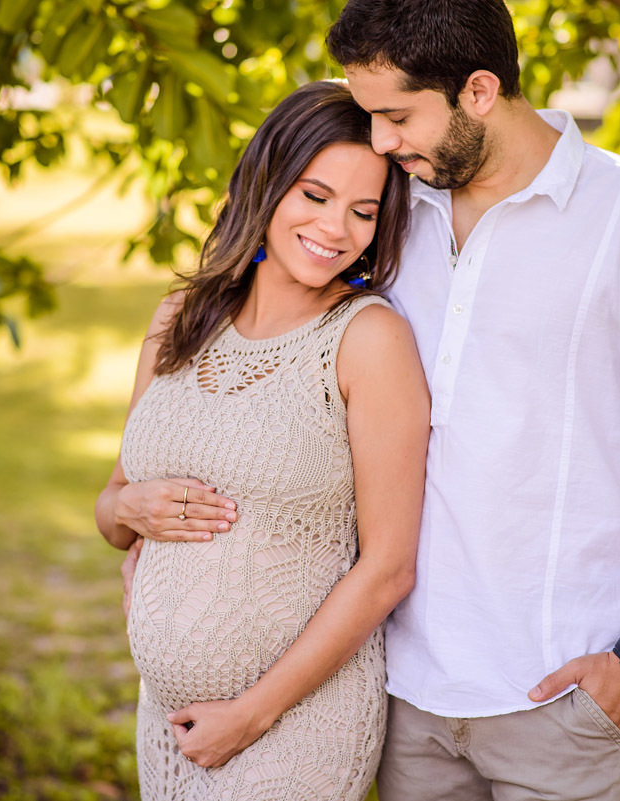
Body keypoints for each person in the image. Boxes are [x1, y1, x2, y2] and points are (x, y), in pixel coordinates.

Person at [321, 2, 620, 800]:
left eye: (396, 116)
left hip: (564, 702)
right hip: (403, 693)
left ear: (480, 91)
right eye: (370, 117)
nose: (380, 142)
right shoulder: (391, 213)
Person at [95, 80, 430, 801]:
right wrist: (130, 510)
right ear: (268, 183)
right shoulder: (179, 318)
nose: (336, 228)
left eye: (363, 211)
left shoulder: (366, 339)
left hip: (296, 727)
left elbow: (389, 569)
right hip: (166, 718)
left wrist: (250, 714)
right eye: (314, 195)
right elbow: (110, 506)